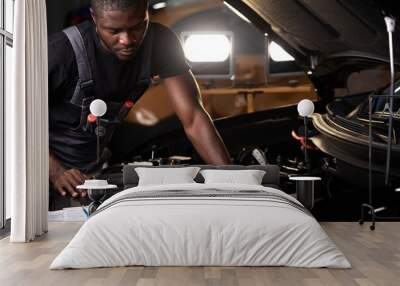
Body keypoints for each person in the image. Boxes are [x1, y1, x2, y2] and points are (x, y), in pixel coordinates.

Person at [48, 0, 231, 199]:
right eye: (114, 31)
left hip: (93, 170)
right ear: (94, 17)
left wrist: (232, 179)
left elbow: (194, 117)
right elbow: (14, 121)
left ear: (146, 14)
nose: (126, 40)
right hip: (40, 169)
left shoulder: (160, 42)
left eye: (137, 27)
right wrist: (55, 172)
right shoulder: (60, 51)